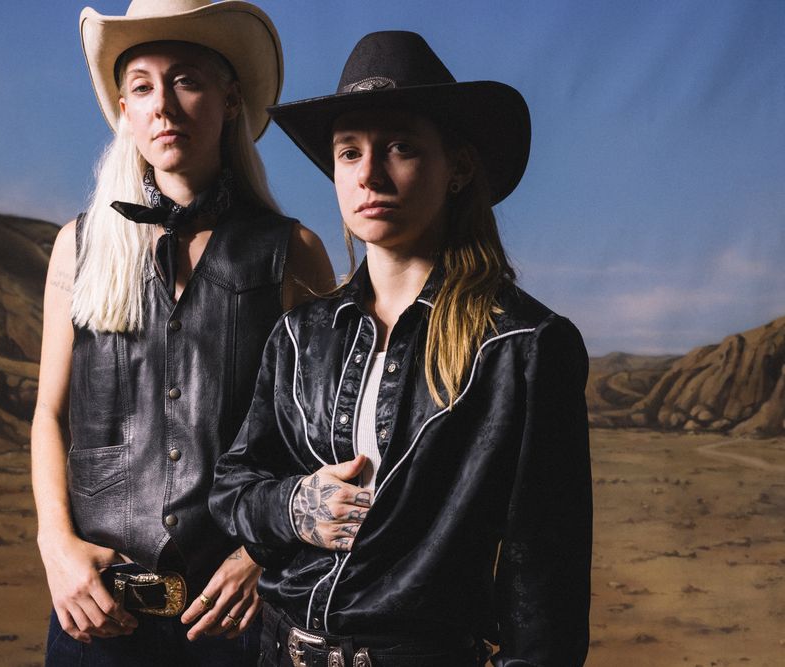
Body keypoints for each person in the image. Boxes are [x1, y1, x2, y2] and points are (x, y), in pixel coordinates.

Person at [210, 31, 592, 667]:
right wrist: (296, 507)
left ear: (459, 168)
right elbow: (234, 487)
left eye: (402, 148)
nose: (371, 174)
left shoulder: (524, 348)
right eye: (349, 152)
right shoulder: (301, 336)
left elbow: (544, 580)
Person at [31, 1, 334, 664]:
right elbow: (49, 414)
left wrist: (261, 554)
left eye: (187, 80)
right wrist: (55, 545)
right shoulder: (76, 249)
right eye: (142, 86)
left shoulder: (293, 254)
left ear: (229, 101)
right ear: (123, 110)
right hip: (96, 614)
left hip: (238, 618)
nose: (163, 105)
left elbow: (323, 441)